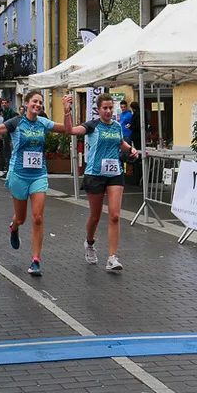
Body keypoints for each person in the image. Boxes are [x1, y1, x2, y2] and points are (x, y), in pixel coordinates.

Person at [0, 90, 73, 276]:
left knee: (38, 217)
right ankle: (14, 227)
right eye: (35, 101)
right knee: (21, 218)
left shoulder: (43, 122)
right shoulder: (16, 122)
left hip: (38, 175)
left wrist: (67, 111)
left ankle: (35, 261)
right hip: (19, 175)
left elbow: (68, 130)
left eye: (40, 102)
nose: (38, 105)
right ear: (26, 104)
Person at [63, 92, 138, 271]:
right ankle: (89, 242)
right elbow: (70, 131)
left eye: (111, 108)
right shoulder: (92, 126)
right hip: (95, 174)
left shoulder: (117, 126)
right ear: (98, 109)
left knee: (115, 215)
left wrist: (131, 149)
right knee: (95, 216)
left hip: (114, 173)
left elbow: (120, 143)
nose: (108, 111)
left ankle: (112, 257)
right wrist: (67, 111)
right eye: (105, 108)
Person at [129, 101, 142, 186]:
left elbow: (137, 126)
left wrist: (131, 126)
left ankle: (137, 176)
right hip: (138, 136)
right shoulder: (140, 113)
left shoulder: (137, 115)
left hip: (137, 136)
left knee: (138, 151)